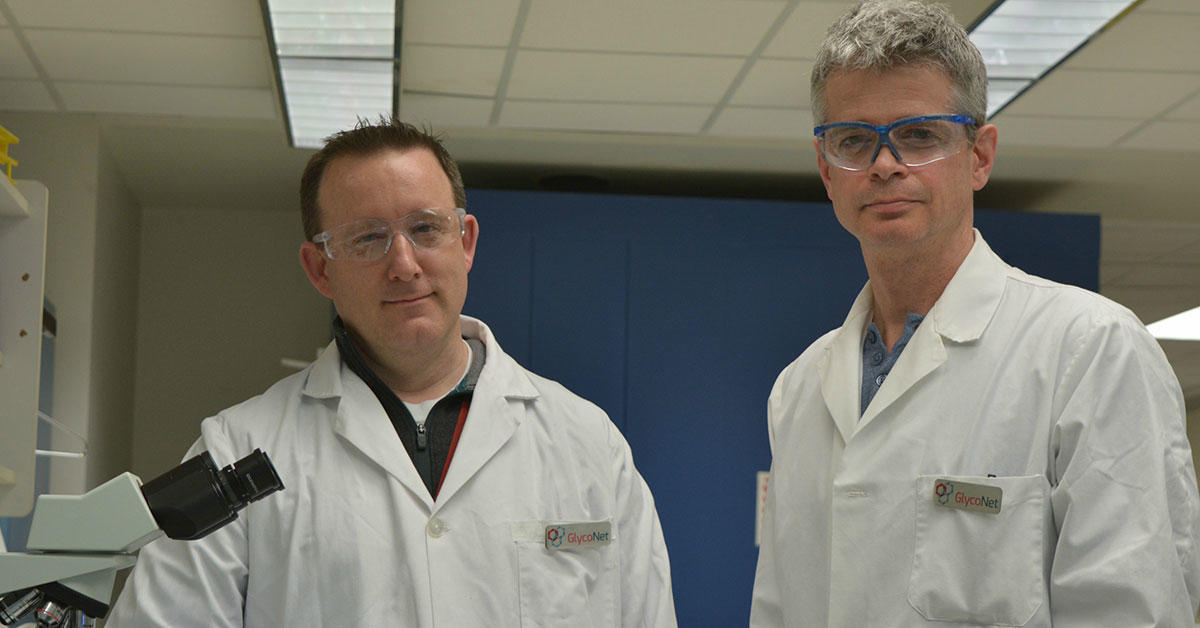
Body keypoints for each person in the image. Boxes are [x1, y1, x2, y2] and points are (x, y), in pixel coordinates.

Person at [108, 119, 677, 627]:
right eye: (368, 239)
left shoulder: (588, 444)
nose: (404, 265)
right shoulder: (238, 448)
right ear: (319, 269)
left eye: (426, 229)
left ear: (467, 241)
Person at [750, 1, 1200, 626]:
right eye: (854, 140)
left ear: (980, 156)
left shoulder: (1089, 349)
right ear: (827, 170)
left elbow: (1130, 608)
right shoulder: (798, 388)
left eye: (919, 135)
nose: (885, 164)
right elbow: (778, 608)